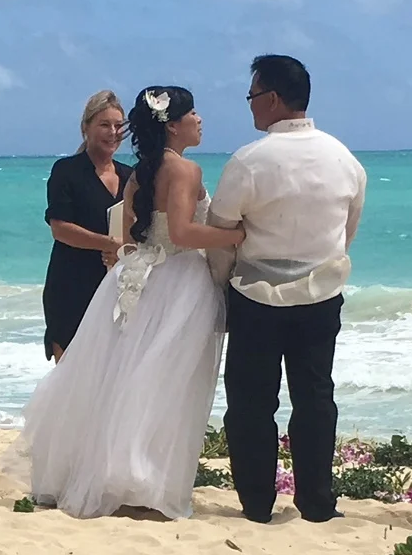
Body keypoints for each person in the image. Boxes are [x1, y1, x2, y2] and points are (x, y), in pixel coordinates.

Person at [13, 85, 243, 519]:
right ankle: (143, 477)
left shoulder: (140, 173)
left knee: (127, 375)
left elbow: (130, 228)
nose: (199, 120)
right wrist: (237, 234)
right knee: (165, 384)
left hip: (139, 276)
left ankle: (114, 473)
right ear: (172, 125)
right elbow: (182, 233)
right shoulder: (184, 170)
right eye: (193, 114)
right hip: (178, 279)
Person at [208, 54, 365, 524]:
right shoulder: (344, 158)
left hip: (256, 293)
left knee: (251, 402)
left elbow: (221, 233)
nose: (251, 105)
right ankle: (316, 501)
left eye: (253, 95)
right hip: (322, 293)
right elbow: (347, 229)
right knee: (315, 398)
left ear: (273, 98)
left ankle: (257, 503)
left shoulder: (249, 160)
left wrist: (221, 284)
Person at [41, 90, 131, 362]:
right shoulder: (66, 171)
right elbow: (60, 228)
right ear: (85, 128)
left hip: (117, 287)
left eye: (118, 125)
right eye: (104, 124)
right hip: (71, 285)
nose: (113, 132)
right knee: (69, 377)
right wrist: (110, 244)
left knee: (112, 375)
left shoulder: (131, 176)